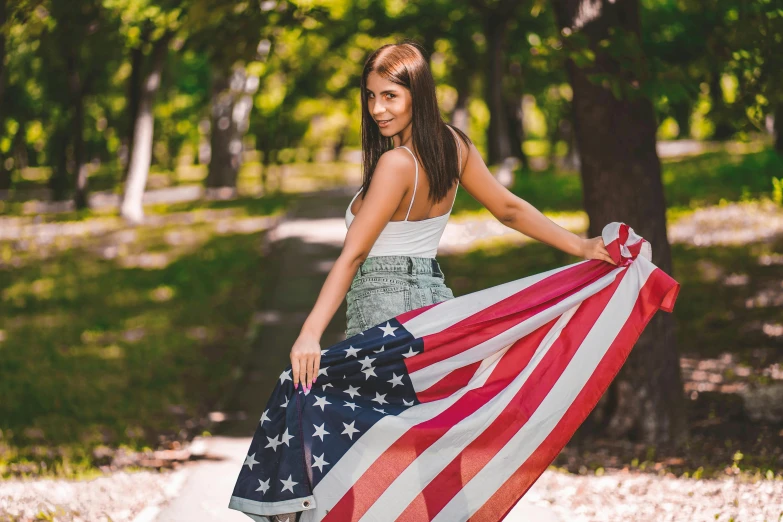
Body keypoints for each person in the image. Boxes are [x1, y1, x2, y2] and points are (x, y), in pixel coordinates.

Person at [288, 40, 615, 394]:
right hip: (435, 304)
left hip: (382, 308)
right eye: (370, 96)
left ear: (418, 94)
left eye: (390, 96)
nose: (377, 109)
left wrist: (310, 332)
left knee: (364, 434)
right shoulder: (455, 146)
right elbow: (508, 209)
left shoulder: (396, 163)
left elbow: (354, 254)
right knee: (421, 431)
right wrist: (579, 245)